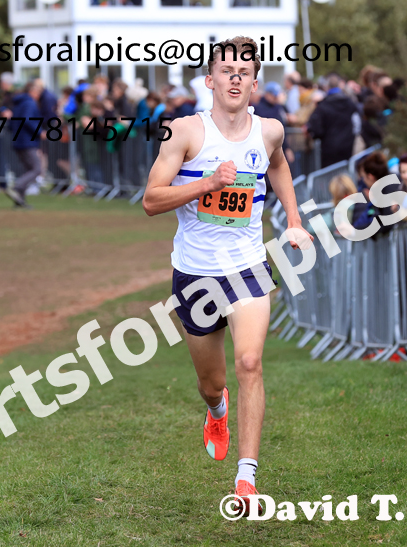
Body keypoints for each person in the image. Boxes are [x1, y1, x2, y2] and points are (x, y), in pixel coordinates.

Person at [141, 35, 313, 516]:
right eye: (226, 70)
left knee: (251, 363)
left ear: (255, 84)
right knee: (212, 382)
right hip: (195, 275)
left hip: (248, 267)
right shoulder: (185, 133)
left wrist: (294, 222)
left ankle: (246, 477)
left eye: (244, 71)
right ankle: (216, 413)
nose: (234, 77)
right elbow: (152, 200)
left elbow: (278, 168)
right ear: (209, 80)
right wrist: (207, 184)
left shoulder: (271, 131)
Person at [306, 73, 361, 167]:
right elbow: (357, 122)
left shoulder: (324, 104)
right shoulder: (349, 102)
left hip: (329, 147)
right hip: (347, 145)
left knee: (329, 176)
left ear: (327, 86)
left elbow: (315, 128)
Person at [4, 80, 43, 209]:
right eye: (38, 91)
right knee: (37, 169)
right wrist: (39, 132)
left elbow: (11, 123)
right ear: (32, 91)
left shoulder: (17, 103)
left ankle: (19, 201)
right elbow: (27, 120)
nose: (39, 95)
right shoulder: (29, 103)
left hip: (18, 140)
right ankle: (16, 187)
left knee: (28, 169)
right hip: (27, 140)